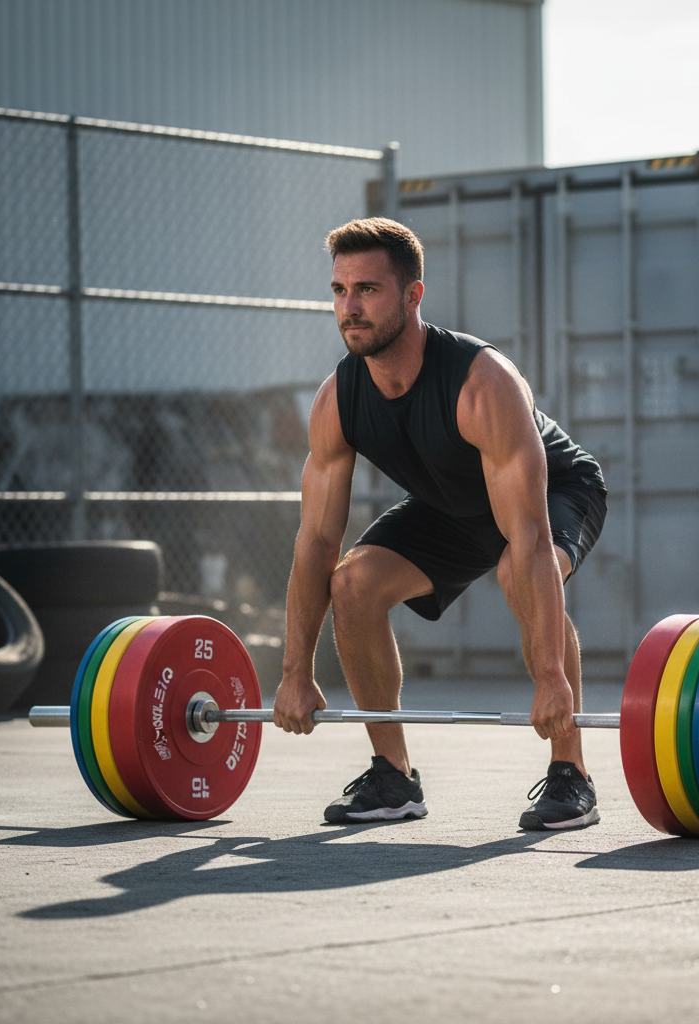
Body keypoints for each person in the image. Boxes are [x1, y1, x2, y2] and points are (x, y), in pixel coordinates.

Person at [272, 217, 607, 831]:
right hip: (453, 506)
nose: (350, 307)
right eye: (339, 291)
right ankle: (393, 777)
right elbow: (316, 541)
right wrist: (296, 672)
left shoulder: (483, 383)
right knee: (352, 583)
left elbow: (529, 538)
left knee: (515, 569)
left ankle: (571, 773)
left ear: (412, 295)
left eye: (367, 290)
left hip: (554, 492)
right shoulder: (337, 401)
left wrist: (552, 676)